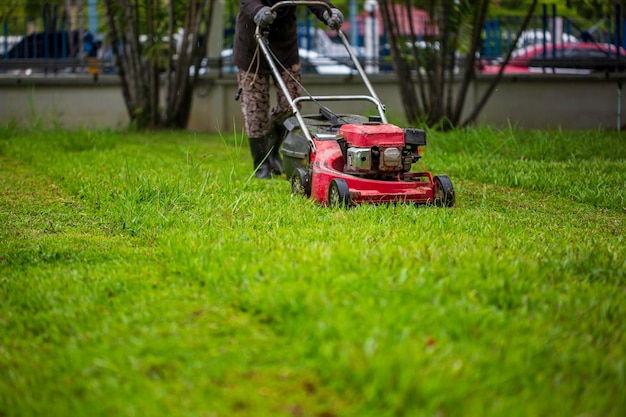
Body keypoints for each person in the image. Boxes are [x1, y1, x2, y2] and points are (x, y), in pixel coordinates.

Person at [233, 0, 344, 179]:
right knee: (256, 112)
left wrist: (329, 11)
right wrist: (258, 10)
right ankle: (261, 164)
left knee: (291, 104)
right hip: (252, 48)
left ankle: (273, 149)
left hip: (285, 49)